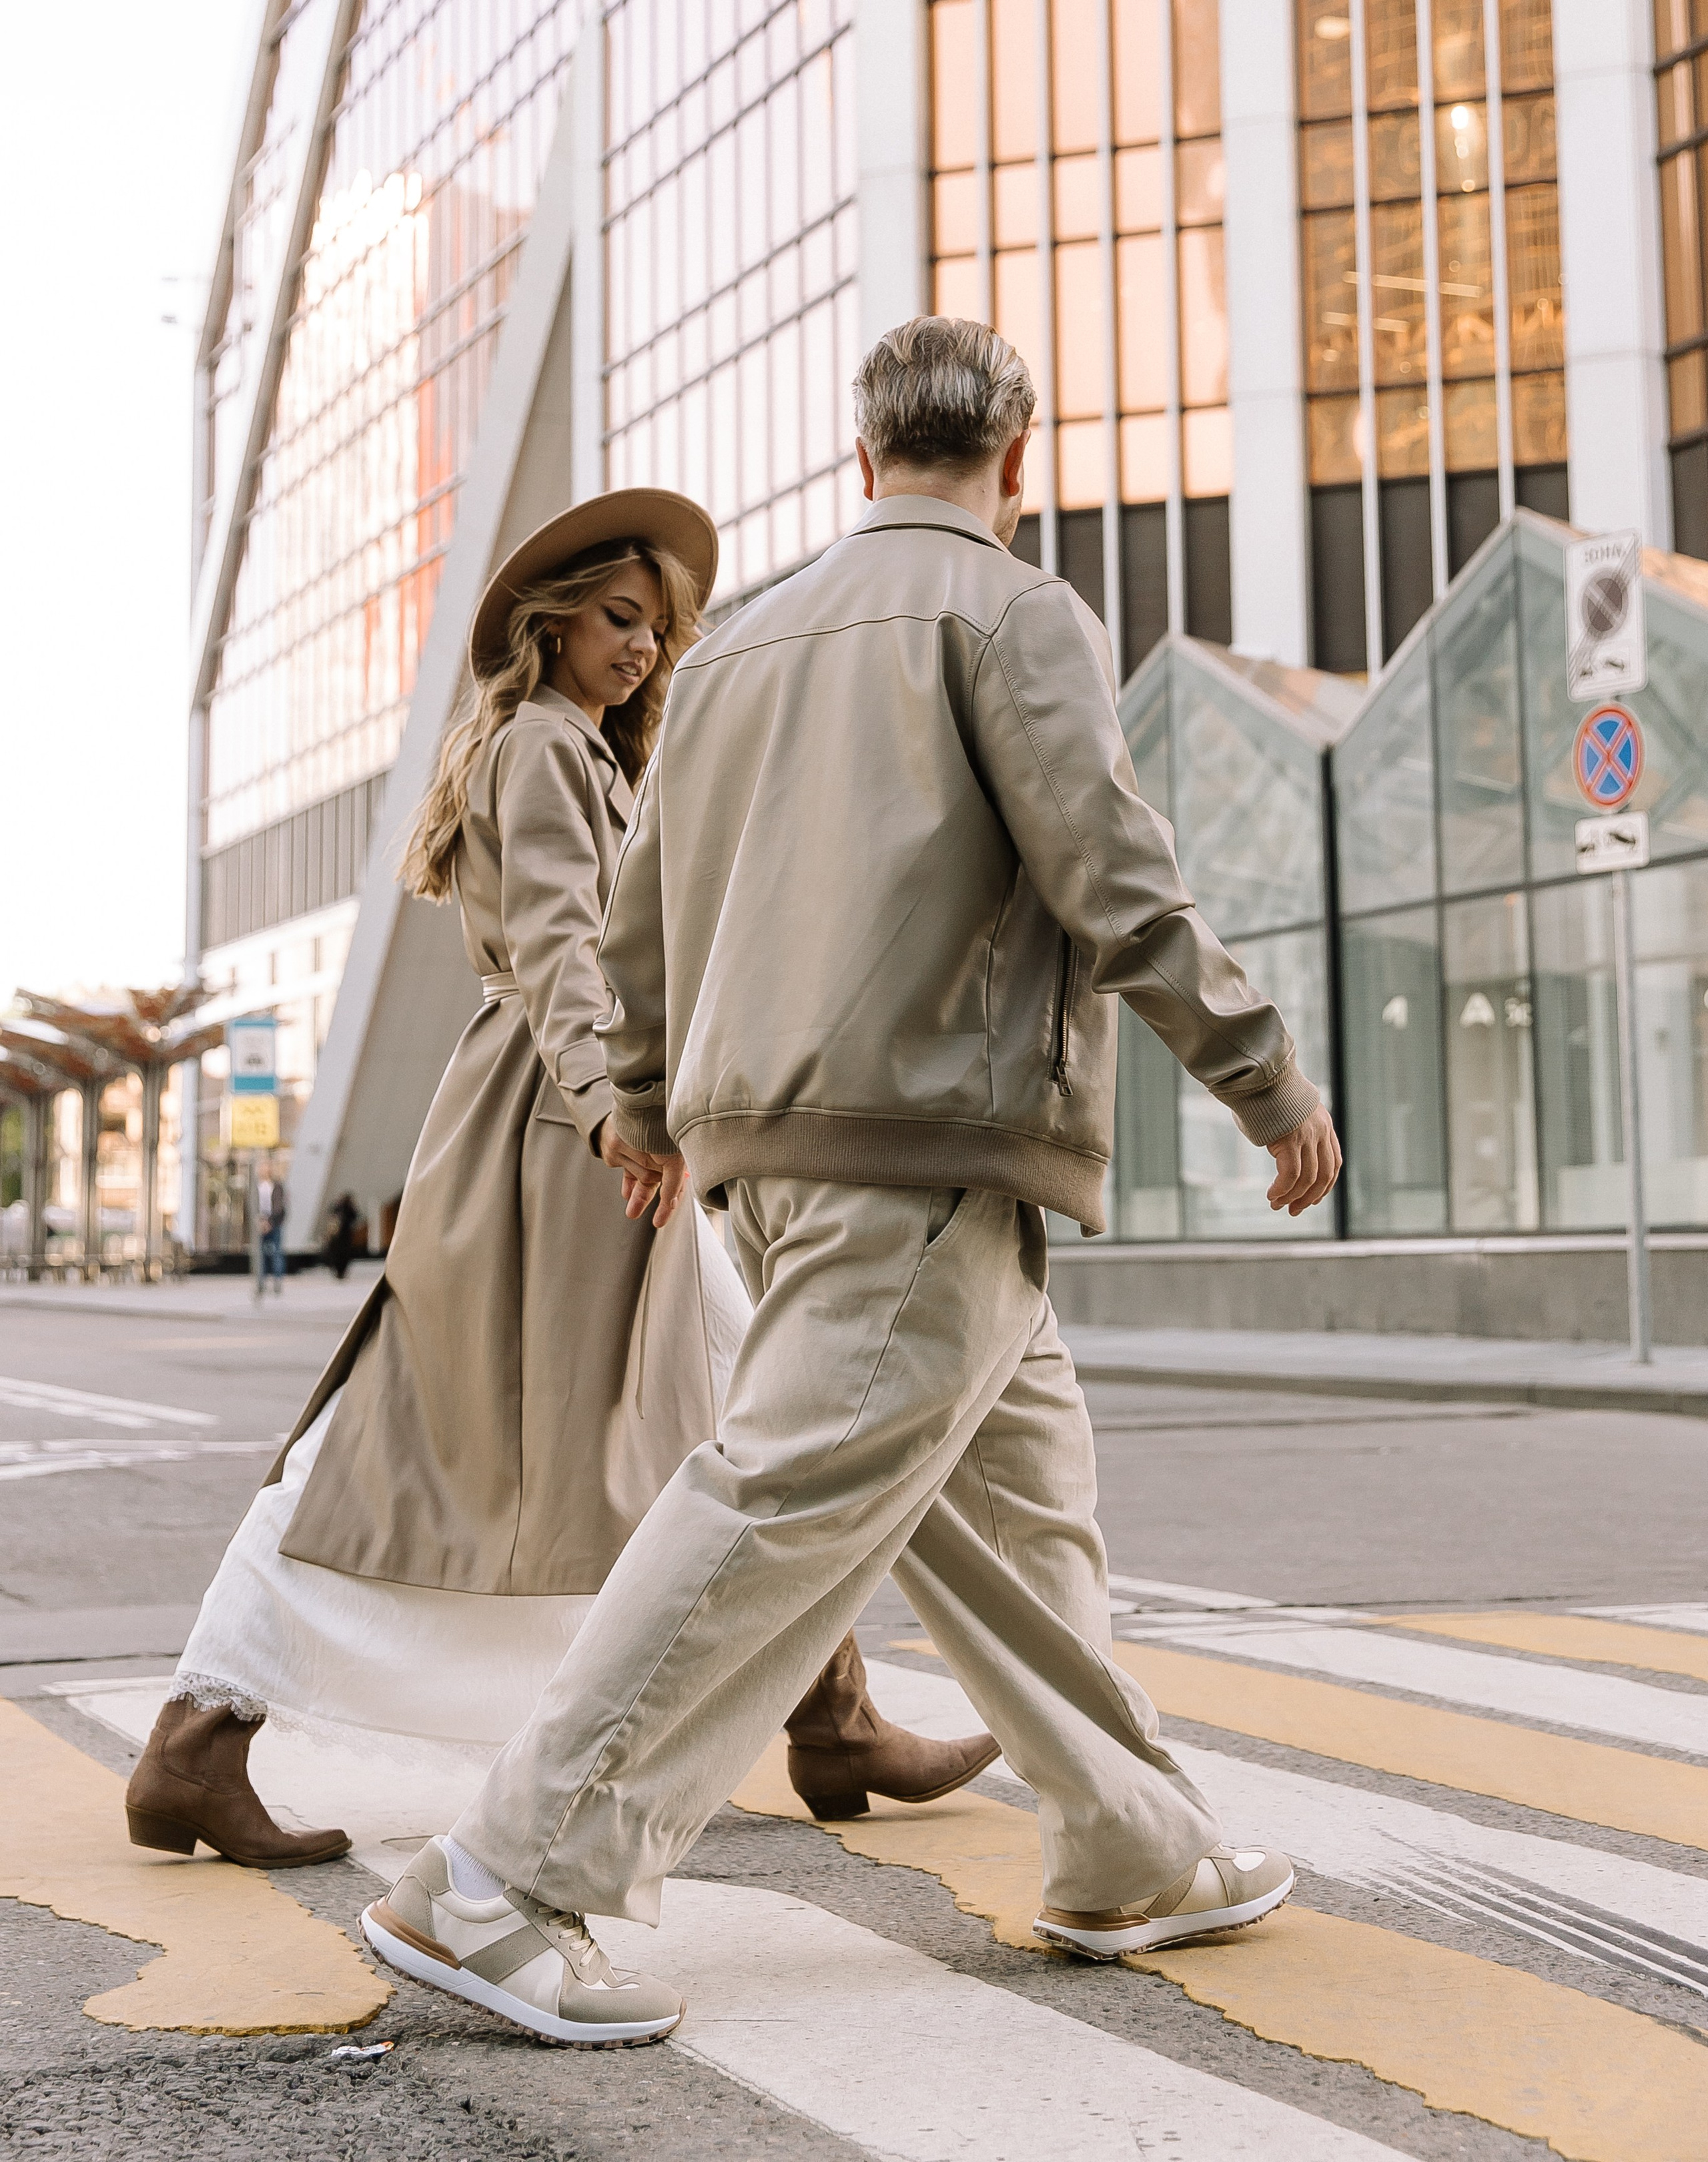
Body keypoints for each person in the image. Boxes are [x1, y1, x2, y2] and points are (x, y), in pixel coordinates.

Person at [360, 318, 1342, 2050]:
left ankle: (1129, 1843)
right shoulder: (1012, 614)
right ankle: (508, 1877)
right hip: (924, 1148)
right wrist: (1261, 1076)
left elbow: (645, 910)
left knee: (1020, 1510)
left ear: (859, 456)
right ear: (1017, 462)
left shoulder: (737, 646)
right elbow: (1113, 875)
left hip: (779, 1155)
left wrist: (643, 1105)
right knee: (778, 1505)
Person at [124, 489, 988, 1880]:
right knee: (404, 1447)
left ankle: (834, 1718)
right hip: (553, 1134)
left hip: (574, 1123)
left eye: (656, 628)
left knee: (745, 1409)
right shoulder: (538, 744)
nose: (641, 647)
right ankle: (194, 1742)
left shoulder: (577, 749)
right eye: (617, 619)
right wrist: (613, 1112)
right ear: (552, 622)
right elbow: (559, 948)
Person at [322, 1191, 360, 1281]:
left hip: (341, 1236)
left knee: (340, 1255)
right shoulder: (343, 1208)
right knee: (342, 1255)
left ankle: (340, 1271)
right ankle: (340, 1271)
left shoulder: (342, 1208)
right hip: (342, 1236)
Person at [258, 1174, 287, 1295]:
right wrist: (259, 1221)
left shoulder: (277, 1186)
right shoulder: (257, 1186)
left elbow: (279, 1206)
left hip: (275, 1224)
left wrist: (270, 1222)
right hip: (260, 1224)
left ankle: (277, 1280)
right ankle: (261, 1281)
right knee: (261, 1255)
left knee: (277, 1253)